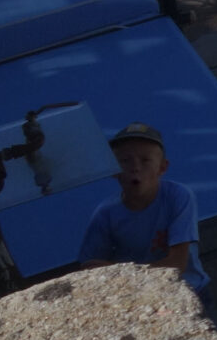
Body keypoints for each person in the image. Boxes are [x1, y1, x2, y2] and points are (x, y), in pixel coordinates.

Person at [76, 123, 209, 294]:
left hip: (189, 290)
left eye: (145, 160)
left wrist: (118, 271)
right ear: (113, 170)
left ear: (162, 168)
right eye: (125, 161)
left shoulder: (179, 196)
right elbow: (90, 266)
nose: (135, 167)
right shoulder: (105, 213)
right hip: (135, 295)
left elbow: (176, 266)